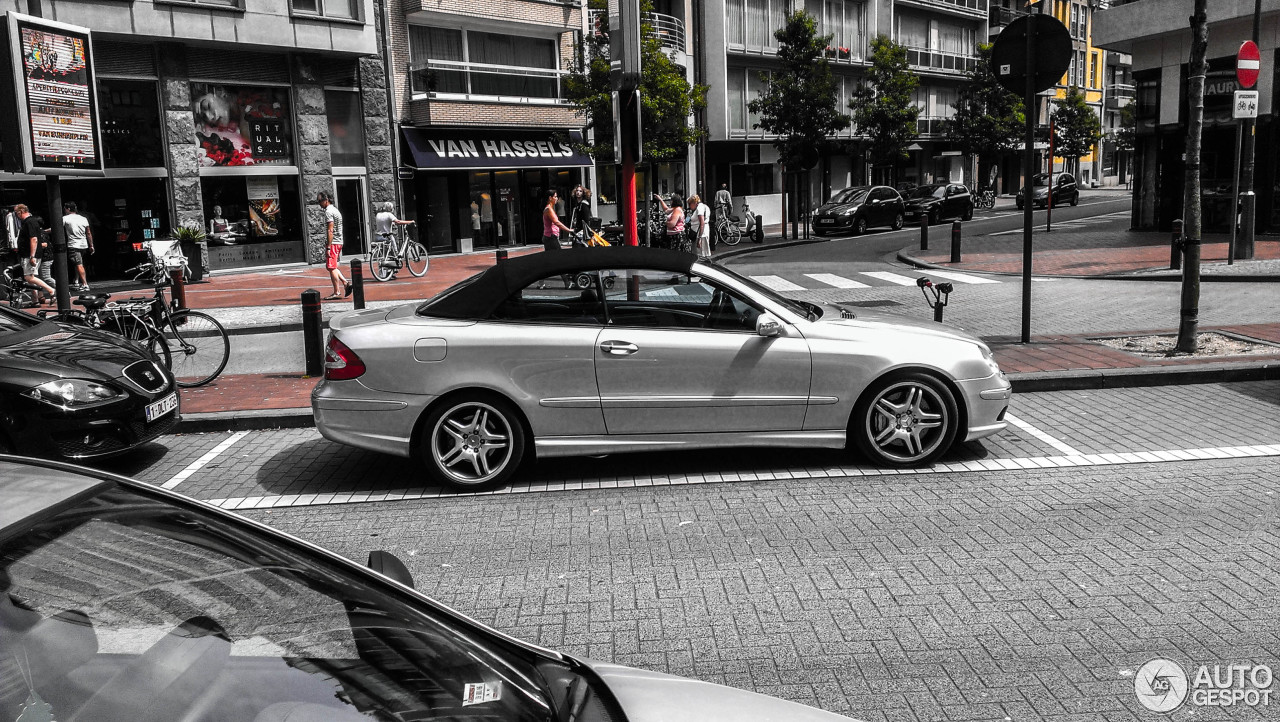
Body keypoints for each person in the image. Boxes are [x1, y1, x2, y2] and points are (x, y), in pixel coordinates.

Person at [14, 205, 55, 304]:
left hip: (30, 254)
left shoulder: (29, 222)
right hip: (28, 254)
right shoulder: (29, 222)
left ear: (22, 211)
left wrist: (32, 256)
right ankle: (36, 299)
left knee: (29, 277)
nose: (16, 215)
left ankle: (50, 290)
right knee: (32, 278)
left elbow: (34, 239)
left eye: (17, 212)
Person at [318, 191, 351, 300]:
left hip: (334, 242)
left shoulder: (329, 212)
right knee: (332, 266)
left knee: (331, 267)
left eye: (320, 201)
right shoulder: (335, 210)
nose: (319, 203)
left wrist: (328, 246)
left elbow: (330, 230)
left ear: (326, 200)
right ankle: (345, 283)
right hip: (338, 241)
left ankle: (337, 292)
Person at [62, 202, 93, 291]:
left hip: (74, 244)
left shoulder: (65, 218)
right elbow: (88, 232)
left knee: (79, 264)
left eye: (65, 208)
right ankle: (76, 281)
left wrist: (43, 231)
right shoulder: (83, 218)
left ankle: (85, 284)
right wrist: (91, 245)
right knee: (78, 263)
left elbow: (56, 228)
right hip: (83, 244)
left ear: (67, 209)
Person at [688, 194, 711, 258]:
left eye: (690, 204)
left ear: (694, 203)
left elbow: (702, 222)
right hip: (703, 232)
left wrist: (699, 238)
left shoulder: (699, 208)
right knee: (702, 253)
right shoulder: (704, 206)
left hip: (699, 233)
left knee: (699, 253)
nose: (689, 206)